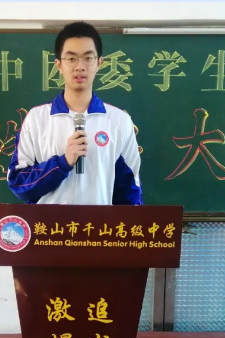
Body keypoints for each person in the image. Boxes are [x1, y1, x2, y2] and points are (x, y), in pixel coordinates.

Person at [7, 21, 143, 206]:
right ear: (58, 65)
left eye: (88, 58)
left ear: (99, 63)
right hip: (48, 224)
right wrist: (62, 163)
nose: (80, 66)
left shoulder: (119, 121)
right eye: (71, 59)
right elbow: (19, 182)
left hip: (98, 224)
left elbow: (130, 192)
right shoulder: (37, 119)